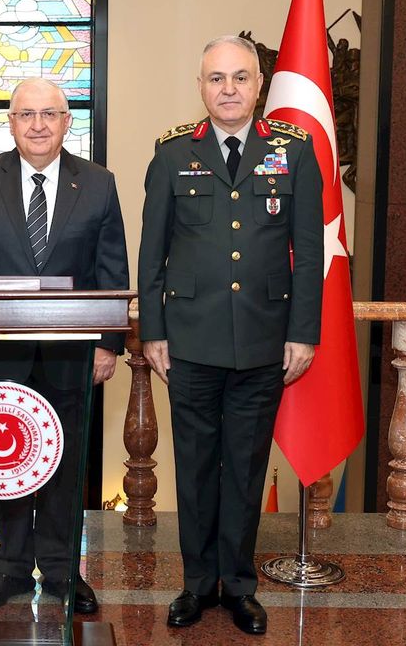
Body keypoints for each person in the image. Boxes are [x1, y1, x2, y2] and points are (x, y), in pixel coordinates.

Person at [137, 35, 323, 635]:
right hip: (189, 341)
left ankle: (239, 586)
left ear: (259, 84)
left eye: (240, 77)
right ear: (200, 87)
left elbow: (309, 252)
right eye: (216, 78)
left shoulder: (294, 152)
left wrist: (303, 333)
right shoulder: (172, 154)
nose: (228, 89)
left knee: (245, 468)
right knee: (194, 466)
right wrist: (153, 331)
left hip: (264, 340)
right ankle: (197, 584)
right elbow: (152, 253)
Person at [0, 77, 128, 615]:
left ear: (67, 122)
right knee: (6, 457)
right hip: (2, 350)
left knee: (65, 461)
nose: (39, 125)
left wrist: (108, 343)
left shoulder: (98, 183)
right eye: (27, 114)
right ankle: (11, 567)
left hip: (72, 352)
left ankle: (65, 569)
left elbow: (111, 269)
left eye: (50, 114)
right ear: (11, 122)